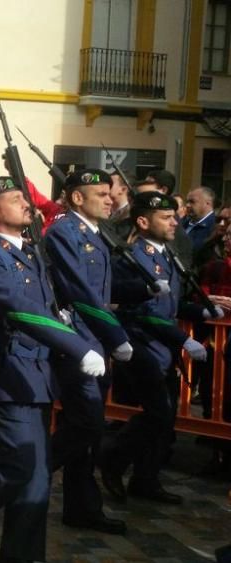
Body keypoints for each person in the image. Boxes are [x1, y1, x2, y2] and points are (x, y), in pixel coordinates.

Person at [0, 176, 105, 563]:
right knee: (21, 462)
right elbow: (19, 308)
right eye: (15, 199)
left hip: (37, 375)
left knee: (37, 481)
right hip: (6, 374)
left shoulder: (28, 250)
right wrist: (77, 347)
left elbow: (48, 307)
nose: (26, 204)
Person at [98, 190, 216, 506]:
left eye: (172, 216)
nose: (174, 222)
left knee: (165, 420)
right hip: (142, 344)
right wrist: (183, 339)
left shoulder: (167, 255)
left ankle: (145, 479)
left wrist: (201, 312)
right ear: (142, 221)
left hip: (163, 348)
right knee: (158, 412)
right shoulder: (133, 258)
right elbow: (141, 312)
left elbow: (170, 304)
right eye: (165, 217)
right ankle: (113, 458)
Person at [44, 169, 137, 536]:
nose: (110, 199)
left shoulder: (94, 233)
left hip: (93, 339)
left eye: (109, 193)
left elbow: (103, 287)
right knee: (86, 424)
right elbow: (81, 291)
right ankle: (22, 479)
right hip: (79, 341)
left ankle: (81, 508)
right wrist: (114, 335)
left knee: (86, 431)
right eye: (101, 193)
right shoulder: (67, 232)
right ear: (77, 198)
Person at [182, 186, 217, 251]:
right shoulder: (182, 222)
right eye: (187, 202)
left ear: (207, 203)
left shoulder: (215, 227)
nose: (187, 205)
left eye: (192, 202)